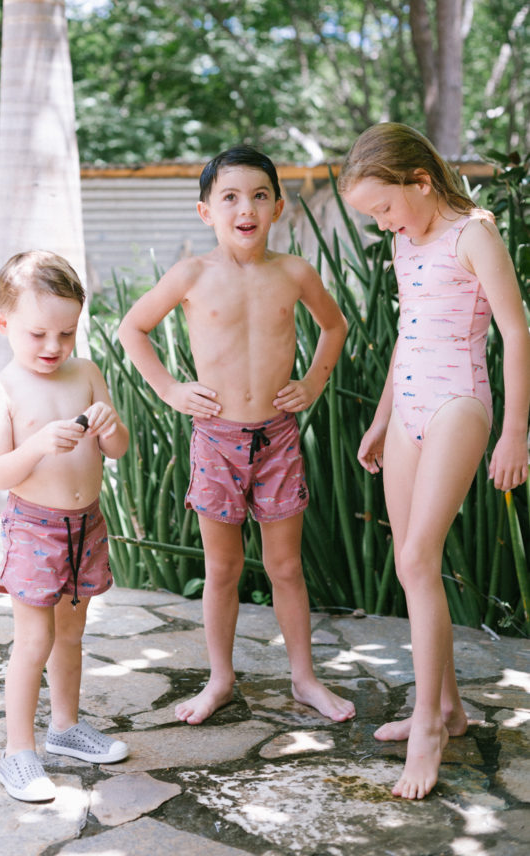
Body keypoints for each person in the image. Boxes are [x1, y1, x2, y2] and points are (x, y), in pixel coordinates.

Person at [118, 145, 356, 728]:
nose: (245, 208)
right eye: (229, 197)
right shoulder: (192, 275)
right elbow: (132, 328)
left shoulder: (294, 273)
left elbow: (335, 325)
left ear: (277, 207)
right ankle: (220, 679)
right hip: (216, 439)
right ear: (206, 211)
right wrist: (170, 389)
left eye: (258, 196)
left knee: (286, 567)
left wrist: (314, 383)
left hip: (277, 437)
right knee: (222, 569)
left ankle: (304, 677)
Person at [338, 122, 530, 801]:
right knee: (409, 560)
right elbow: (406, 331)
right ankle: (447, 708)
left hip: (457, 402)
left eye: (384, 207)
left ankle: (426, 726)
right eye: (372, 216)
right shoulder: (404, 243)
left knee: (419, 559)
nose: (382, 223)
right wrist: (381, 417)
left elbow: (515, 330)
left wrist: (516, 432)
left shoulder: (472, 234)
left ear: (419, 180)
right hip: (409, 409)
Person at [0, 251, 130, 803]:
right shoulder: (3, 390)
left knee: (70, 633)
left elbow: (117, 448)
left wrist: (110, 426)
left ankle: (65, 727)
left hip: (85, 525)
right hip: (34, 528)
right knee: (35, 638)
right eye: (38, 333)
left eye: (66, 333)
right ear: (3, 323)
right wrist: (38, 444)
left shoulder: (85, 373)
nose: (53, 346)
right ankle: (17, 752)